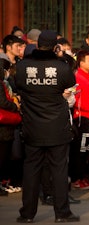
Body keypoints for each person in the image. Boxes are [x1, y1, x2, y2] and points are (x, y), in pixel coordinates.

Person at [15, 30, 79, 223]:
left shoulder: (23, 66)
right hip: (57, 127)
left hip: (32, 126)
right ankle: (62, 213)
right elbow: (70, 83)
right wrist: (59, 56)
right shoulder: (61, 67)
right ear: (55, 46)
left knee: (31, 170)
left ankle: (27, 214)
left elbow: (19, 87)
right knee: (59, 170)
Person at [69, 49, 89, 190]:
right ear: (81, 63)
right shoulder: (78, 78)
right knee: (80, 151)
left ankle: (82, 177)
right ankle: (76, 179)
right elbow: (73, 99)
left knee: (87, 150)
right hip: (84, 119)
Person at [0, 58, 20, 196]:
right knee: (2, 156)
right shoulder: (1, 84)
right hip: (3, 126)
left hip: (4, 127)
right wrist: (15, 105)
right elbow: (3, 102)